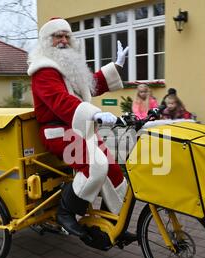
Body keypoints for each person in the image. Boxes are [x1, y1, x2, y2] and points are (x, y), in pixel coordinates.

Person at [28, 17, 130, 239]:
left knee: (113, 169)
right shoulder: (43, 70)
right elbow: (60, 100)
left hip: (80, 128)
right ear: (47, 40)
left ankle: (114, 222)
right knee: (97, 165)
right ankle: (66, 212)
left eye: (67, 35)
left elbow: (89, 86)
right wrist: (95, 113)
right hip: (57, 132)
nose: (64, 40)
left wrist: (116, 67)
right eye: (58, 36)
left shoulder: (67, 66)